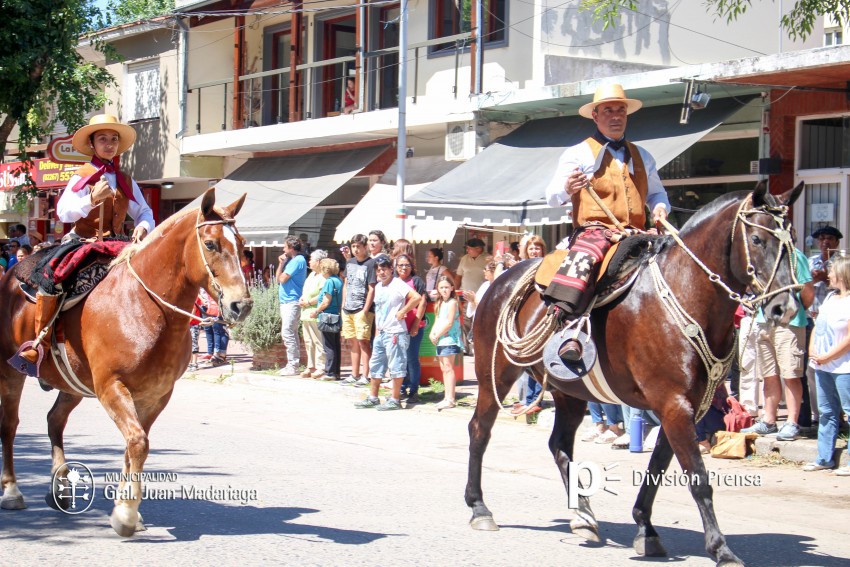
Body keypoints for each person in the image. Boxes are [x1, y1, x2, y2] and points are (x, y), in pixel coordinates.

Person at [543, 83, 670, 362]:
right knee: (585, 259)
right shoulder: (578, 153)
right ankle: (569, 329)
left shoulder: (643, 156)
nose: (616, 116)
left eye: (621, 110)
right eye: (609, 110)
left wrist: (660, 209)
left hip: (637, 231)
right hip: (595, 231)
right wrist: (568, 187)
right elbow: (551, 196)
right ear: (595, 115)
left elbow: (657, 192)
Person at [20, 114, 155, 364]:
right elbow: (63, 212)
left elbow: (144, 210)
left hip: (118, 243)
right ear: (92, 144)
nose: (109, 144)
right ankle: (41, 344)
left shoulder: (126, 179)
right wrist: (92, 199)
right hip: (82, 242)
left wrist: (143, 226)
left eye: (113, 139)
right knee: (52, 279)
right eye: (102, 139)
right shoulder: (82, 175)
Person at [741, 243, 813, 440]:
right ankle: (769, 421)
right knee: (769, 374)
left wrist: (793, 312)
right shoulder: (763, 255)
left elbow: (808, 293)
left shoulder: (795, 256)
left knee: (790, 374)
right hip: (765, 321)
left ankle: (792, 422)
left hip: (789, 322)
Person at [354, 254, 421, 411]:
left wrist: (403, 310)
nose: (381, 273)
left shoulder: (398, 284)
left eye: (384, 269)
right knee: (375, 365)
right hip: (382, 332)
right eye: (378, 270)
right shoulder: (378, 287)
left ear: (391, 269)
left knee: (396, 366)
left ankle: (395, 399)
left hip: (396, 332)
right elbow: (379, 310)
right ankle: (373, 397)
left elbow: (416, 298)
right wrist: (377, 332)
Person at [804, 254, 850, 476]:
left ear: (842, 274)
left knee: (849, 413)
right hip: (823, 366)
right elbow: (817, 325)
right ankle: (824, 457)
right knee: (826, 412)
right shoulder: (830, 298)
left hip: (844, 368)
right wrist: (813, 349)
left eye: (832, 272)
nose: (828, 275)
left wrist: (828, 356)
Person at [806, 225, 844, 424]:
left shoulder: (842, 263)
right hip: (813, 319)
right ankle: (818, 413)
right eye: (821, 239)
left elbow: (845, 287)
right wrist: (811, 280)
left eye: (829, 238)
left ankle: (839, 413)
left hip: (836, 321)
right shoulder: (811, 262)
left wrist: (826, 279)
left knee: (837, 367)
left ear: (837, 242)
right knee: (813, 368)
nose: (825, 242)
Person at [340, 234, 377, 386]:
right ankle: (354, 374)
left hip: (362, 308)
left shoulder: (370, 264)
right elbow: (346, 284)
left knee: (364, 342)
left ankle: (365, 375)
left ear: (365, 247)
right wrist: (343, 305)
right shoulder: (350, 263)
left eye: (358, 246)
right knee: (352, 341)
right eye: (353, 246)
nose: (355, 249)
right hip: (348, 308)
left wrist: (365, 309)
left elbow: (372, 288)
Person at [395, 253, 427, 403]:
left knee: (412, 358)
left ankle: (414, 390)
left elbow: (423, 303)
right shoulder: (393, 282)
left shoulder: (416, 281)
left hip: (414, 325)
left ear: (412, 267)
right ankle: (402, 387)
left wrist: (415, 324)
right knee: (400, 359)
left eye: (406, 265)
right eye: (400, 265)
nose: (403, 268)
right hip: (397, 327)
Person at [430, 275, 464, 410]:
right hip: (441, 340)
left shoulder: (453, 303)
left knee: (449, 368)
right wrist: (433, 333)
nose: (444, 290)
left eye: (446, 287)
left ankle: (450, 398)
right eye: (441, 287)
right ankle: (446, 397)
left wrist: (437, 334)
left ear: (452, 288)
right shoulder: (440, 303)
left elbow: (449, 322)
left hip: (449, 339)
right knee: (444, 368)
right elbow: (438, 320)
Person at [276, 236, 307, 376]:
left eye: (285, 246)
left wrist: (283, 266)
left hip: (292, 301)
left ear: (291, 247)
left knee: (288, 332)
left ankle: (293, 365)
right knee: (291, 333)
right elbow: (278, 279)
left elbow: (283, 279)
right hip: (286, 301)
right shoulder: (291, 261)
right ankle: (293, 363)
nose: (283, 249)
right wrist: (281, 264)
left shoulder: (298, 260)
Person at [298, 249, 329, 379]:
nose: (309, 262)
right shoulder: (311, 275)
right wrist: (302, 299)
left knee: (318, 341)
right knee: (308, 341)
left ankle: (320, 366)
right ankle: (310, 366)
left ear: (318, 261)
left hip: (315, 313)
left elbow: (322, 295)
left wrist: (309, 302)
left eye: (311, 259)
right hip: (305, 312)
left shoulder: (323, 276)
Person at [313, 258, 344, 380]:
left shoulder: (329, 282)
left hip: (328, 317)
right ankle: (336, 372)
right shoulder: (338, 280)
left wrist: (316, 311)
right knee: (335, 345)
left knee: (328, 346)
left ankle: (330, 372)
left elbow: (326, 301)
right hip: (337, 316)